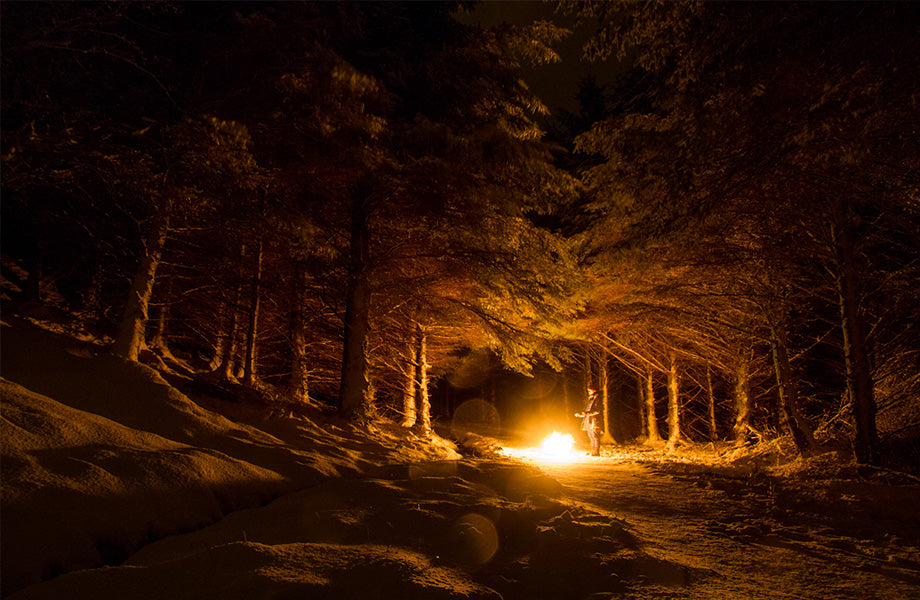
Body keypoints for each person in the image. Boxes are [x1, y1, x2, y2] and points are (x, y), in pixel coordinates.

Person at [575, 386, 601, 457]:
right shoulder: (590, 399)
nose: (588, 392)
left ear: (593, 390)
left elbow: (597, 411)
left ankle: (596, 452)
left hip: (594, 420)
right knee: (590, 436)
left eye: (590, 390)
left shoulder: (597, 399)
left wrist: (587, 414)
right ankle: (593, 451)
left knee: (595, 435)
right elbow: (588, 410)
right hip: (588, 420)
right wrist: (581, 415)